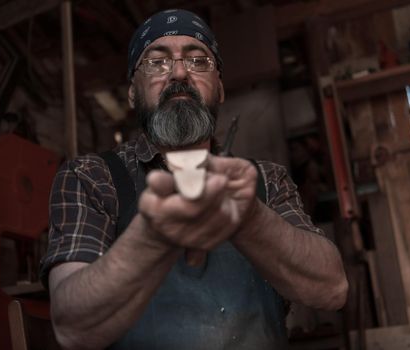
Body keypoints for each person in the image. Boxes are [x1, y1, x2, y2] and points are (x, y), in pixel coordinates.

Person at [40, 9, 348, 350]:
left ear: (219, 88)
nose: (180, 73)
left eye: (199, 61)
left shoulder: (267, 180)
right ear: (131, 92)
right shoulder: (91, 177)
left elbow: (332, 289)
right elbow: (73, 327)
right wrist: (151, 237)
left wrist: (251, 219)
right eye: (156, 62)